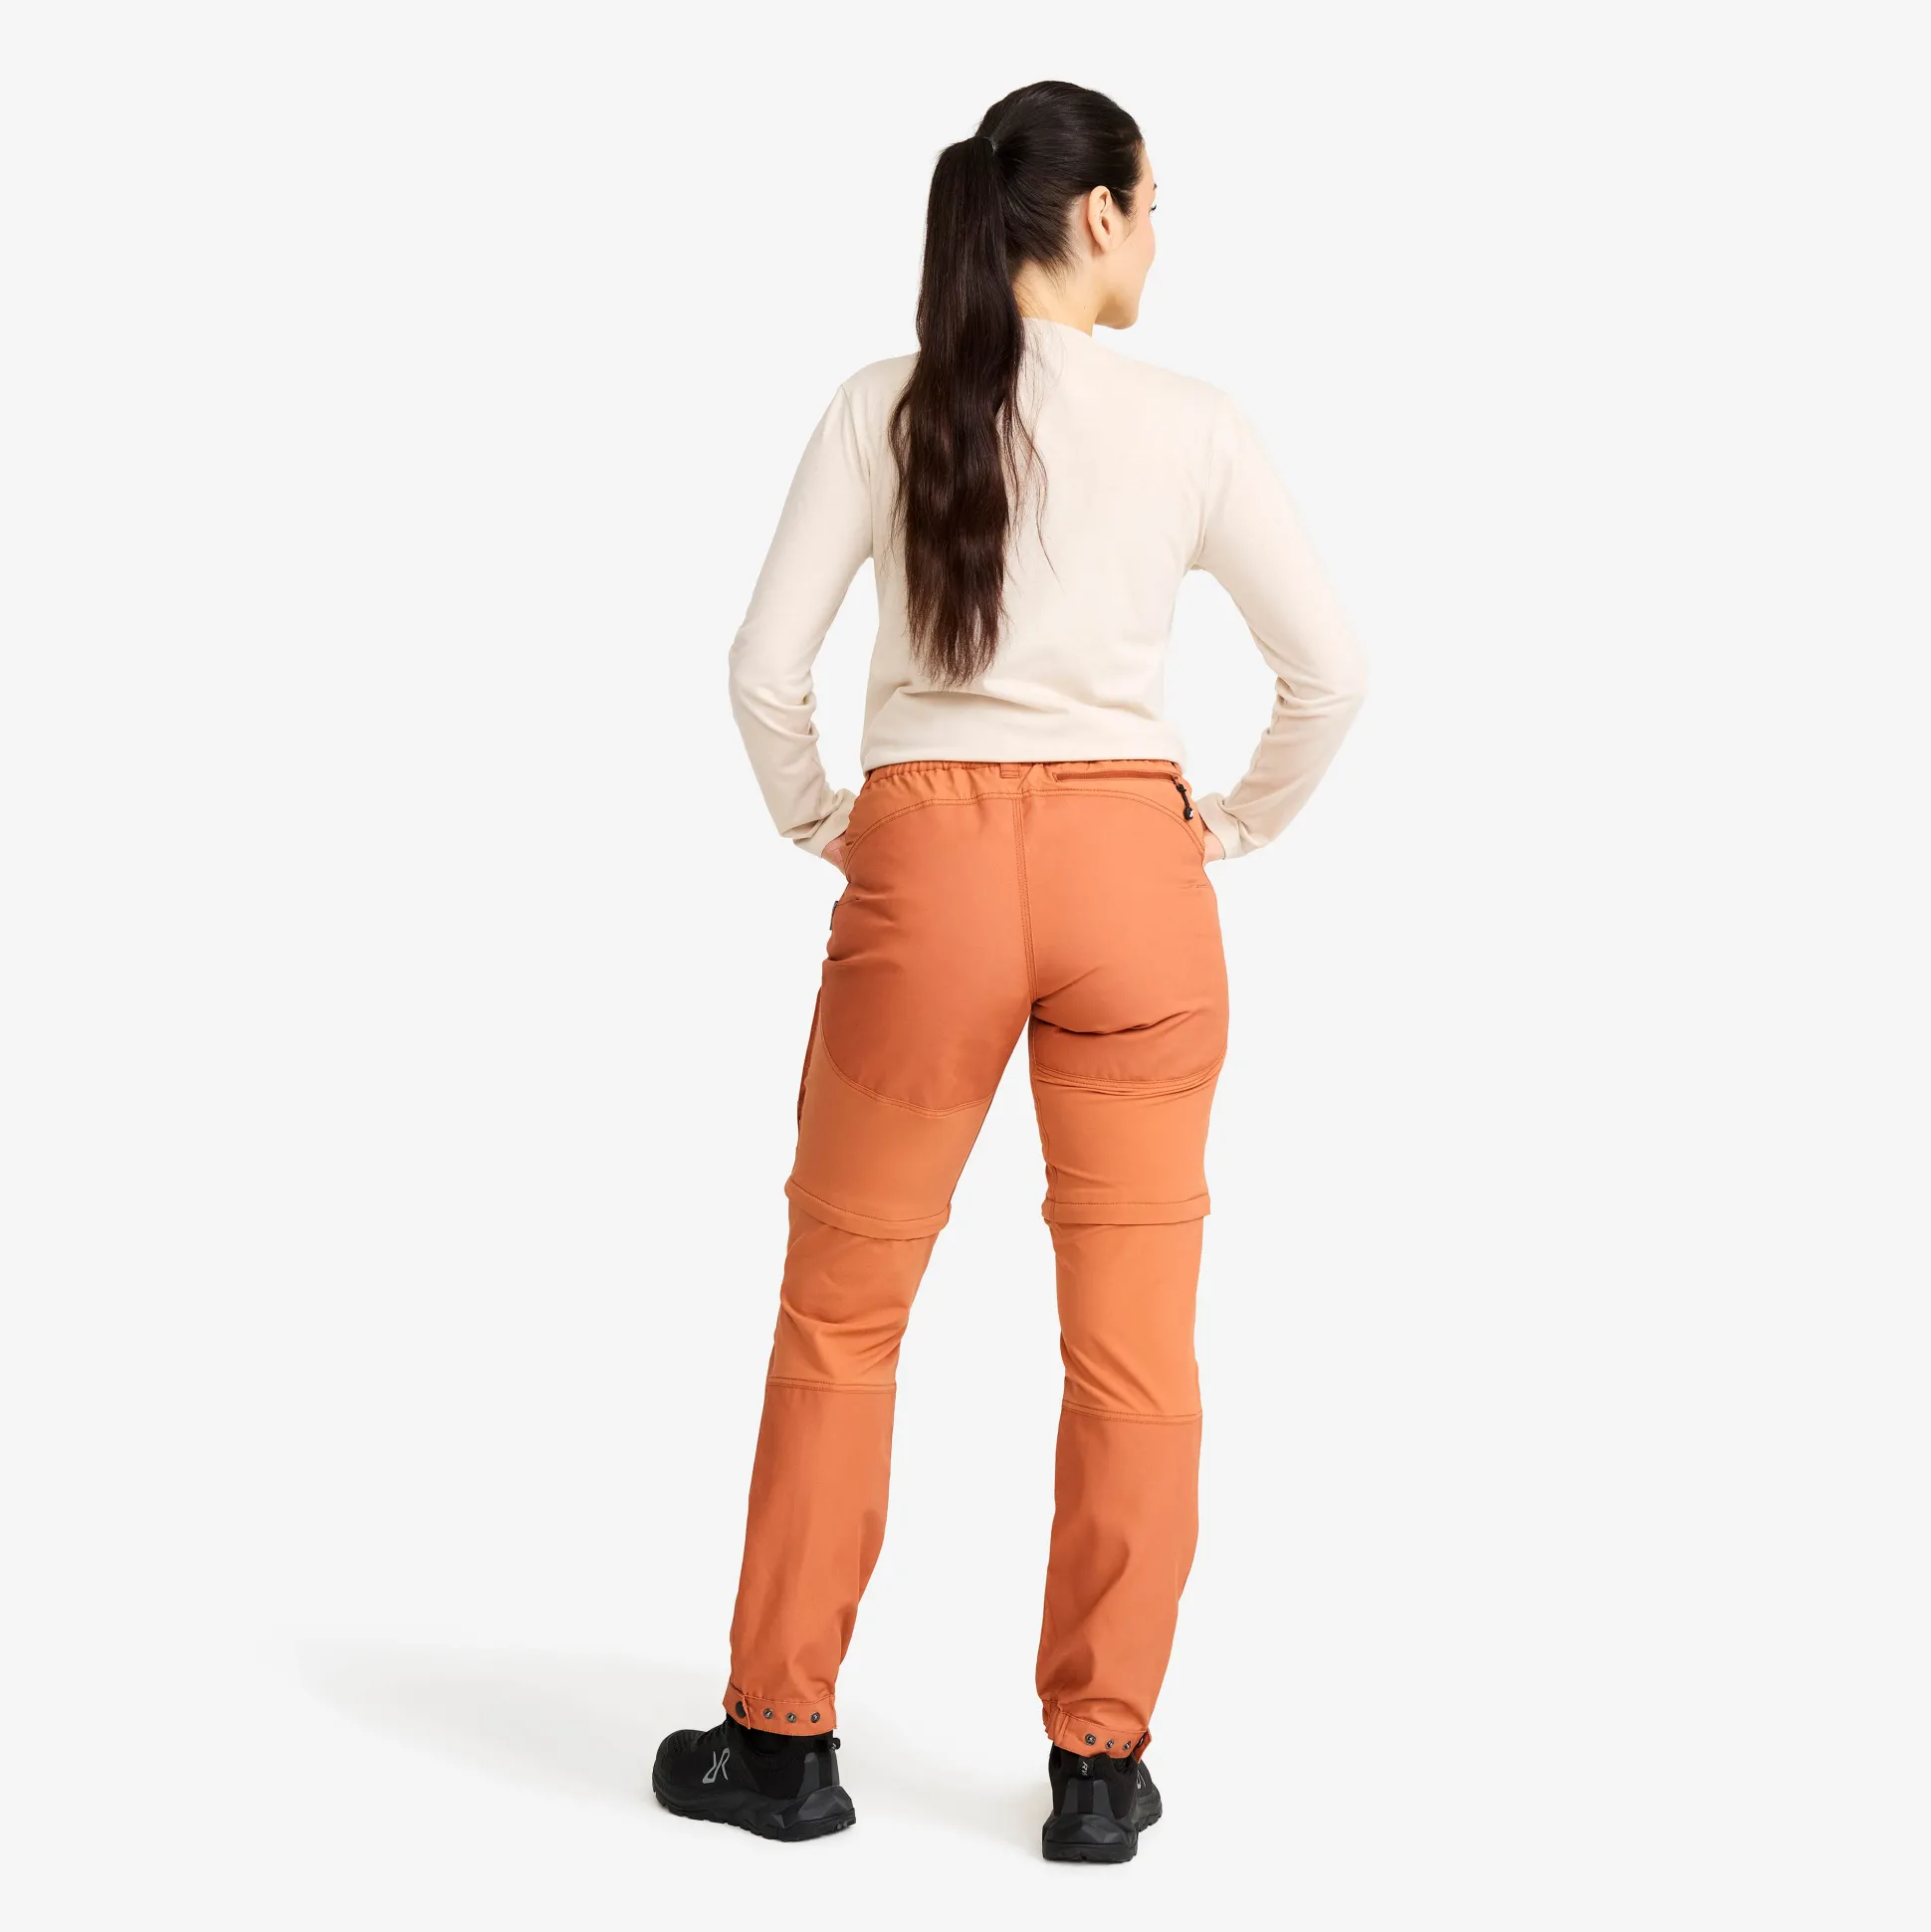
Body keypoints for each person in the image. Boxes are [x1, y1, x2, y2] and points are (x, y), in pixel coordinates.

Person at [652, 79, 1368, 1863]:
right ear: (1099, 215)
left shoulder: (883, 404)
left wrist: (832, 821)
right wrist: (1228, 828)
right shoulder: (1192, 423)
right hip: (1138, 884)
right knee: (1135, 1348)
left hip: (929, 876)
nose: (1158, 240)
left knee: (843, 1315)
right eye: (1154, 207)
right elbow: (1332, 674)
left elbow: (760, 667)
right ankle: (1101, 1771)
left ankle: (780, 1744)